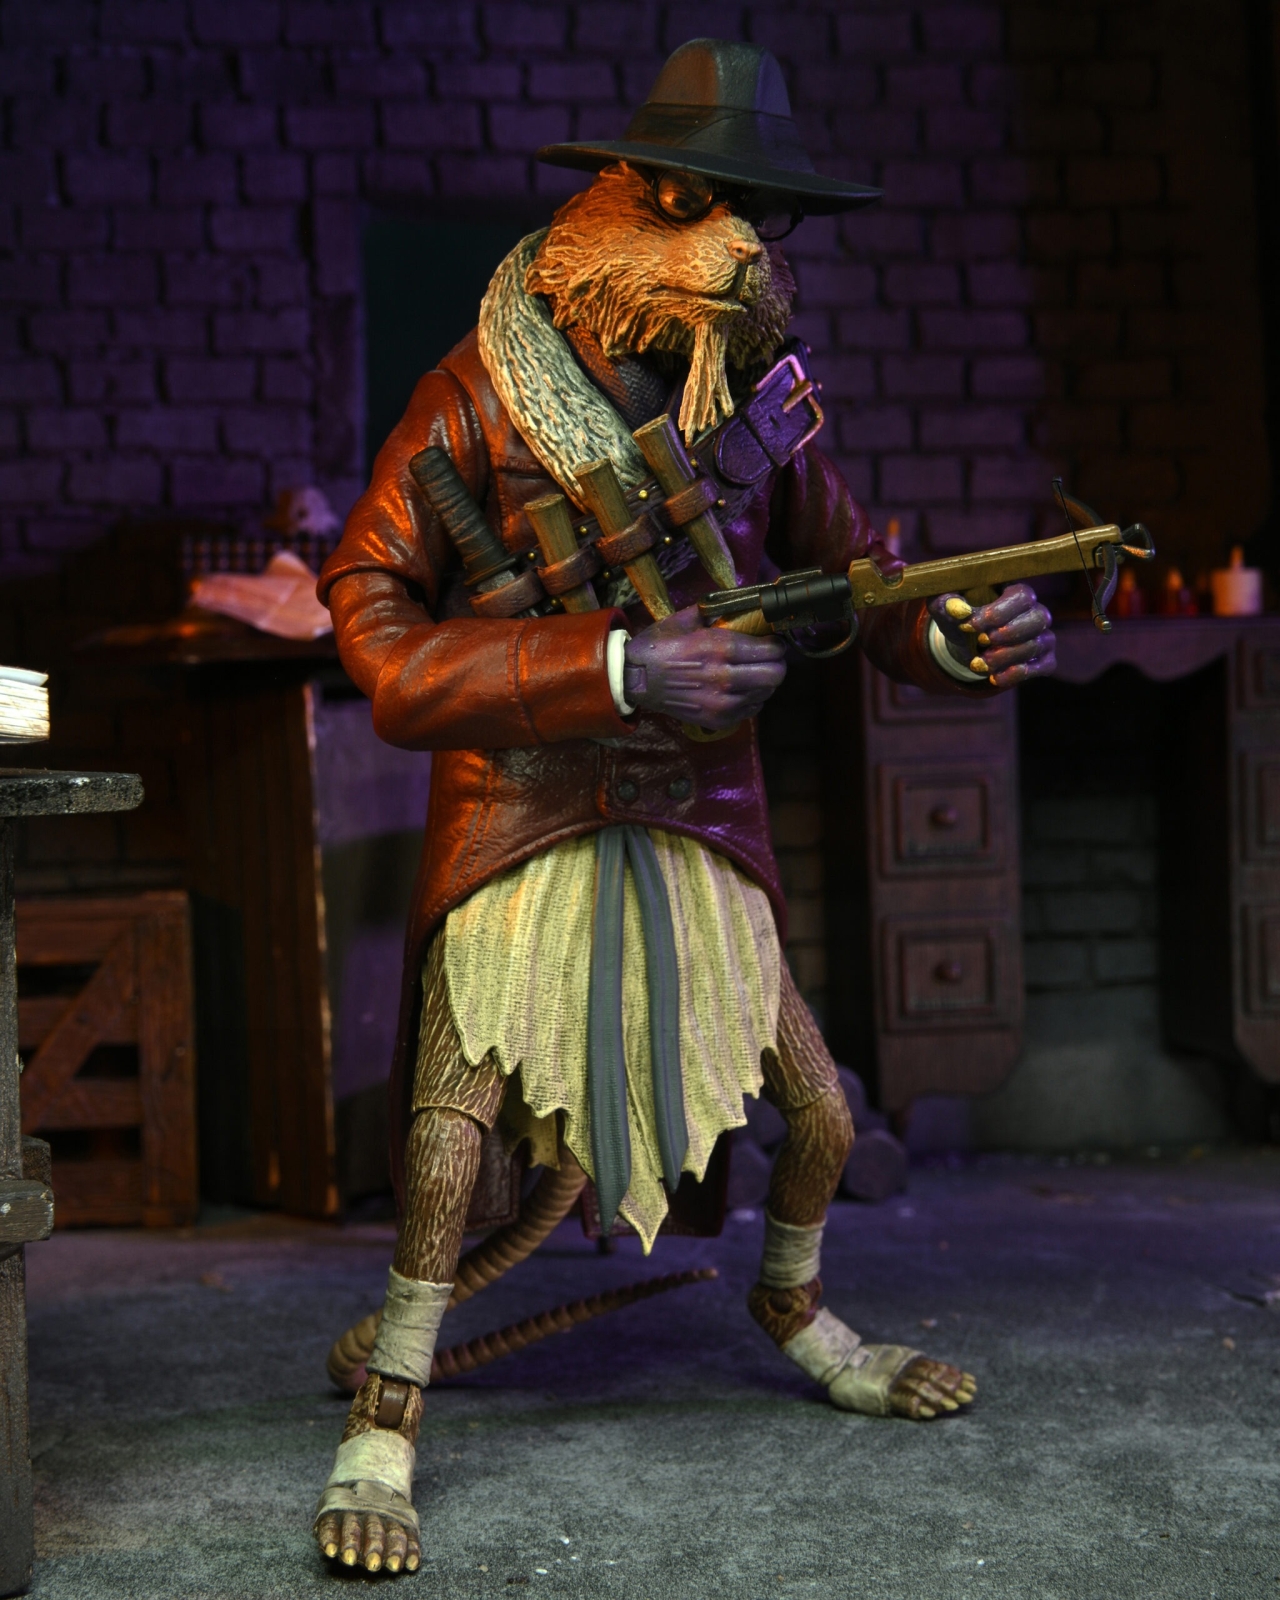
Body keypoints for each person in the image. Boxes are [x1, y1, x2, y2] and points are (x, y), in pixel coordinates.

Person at [312, 38, 1056, 1575]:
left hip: (698, 817)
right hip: (521, 818)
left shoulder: (755, 406)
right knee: (448, 1144)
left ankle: (794, 1307)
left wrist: (951, 637)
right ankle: (386, 1413)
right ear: (620, 200)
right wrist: (607, 661)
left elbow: (854, 580)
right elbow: (375, 629)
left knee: (823, 1114)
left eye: (757, 218)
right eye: (699, 206)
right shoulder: (473, 399)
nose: (738, 248)